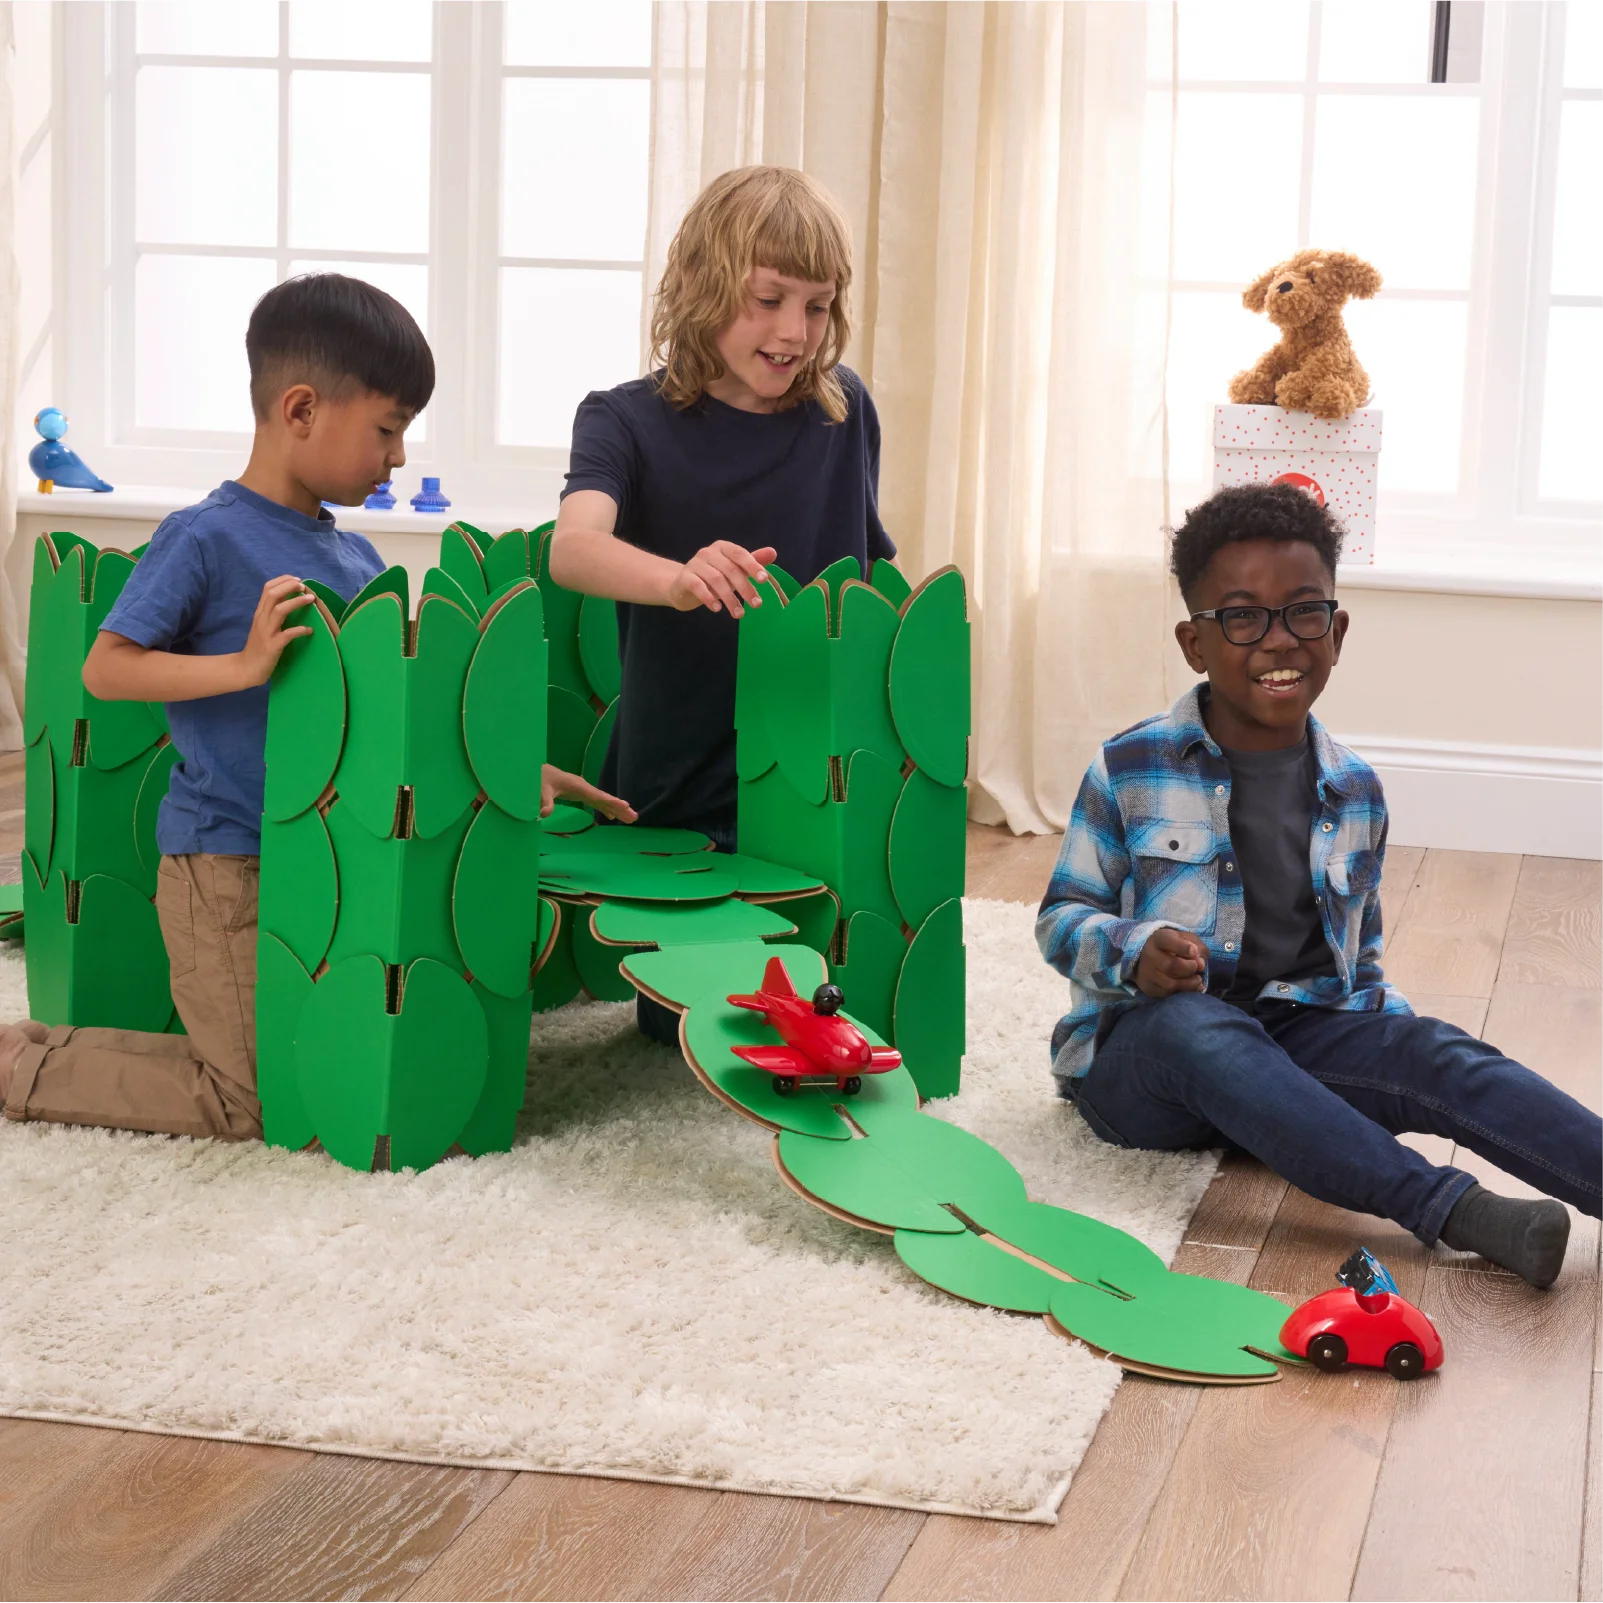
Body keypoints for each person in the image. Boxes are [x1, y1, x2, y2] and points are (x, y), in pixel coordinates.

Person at [0, 273, 631, 1140]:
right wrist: (244, 664)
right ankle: (19, 1064)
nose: (398, 456)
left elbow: (387, 719)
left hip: (328, 864)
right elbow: (110, 669)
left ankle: (55, 1049)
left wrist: (519, 769)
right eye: (387, 428)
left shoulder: (360, 560)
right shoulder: (205, 536)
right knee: (256, 1097)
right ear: (300, 410)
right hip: (226, 864)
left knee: (312, 1062)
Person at [1037, 481, 1598, 1289]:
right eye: (1240, 615)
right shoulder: (1130, 765)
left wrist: (1407, 1061)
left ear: (1335, 631)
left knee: (1433, 1049)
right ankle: (1459, 1212)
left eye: (1302, 612)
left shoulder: (1354, 788)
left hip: (1289, 1039)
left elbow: (1358, 967)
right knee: (1194, 1027)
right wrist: (1130, 951)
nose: (1277, 641)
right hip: (1146, 1066)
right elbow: (1061, 916)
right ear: (1194, 641)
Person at [549, 165, 896, 1039]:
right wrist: (674, 577)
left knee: (834, 1005)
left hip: (817, 775)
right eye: (768, 299)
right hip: (679, 778)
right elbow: (573, 548)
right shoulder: (622, 419)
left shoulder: (844, 408)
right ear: (704, 289)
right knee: (690, 1032)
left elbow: (869, 571)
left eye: (816, 306)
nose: (793, 332)